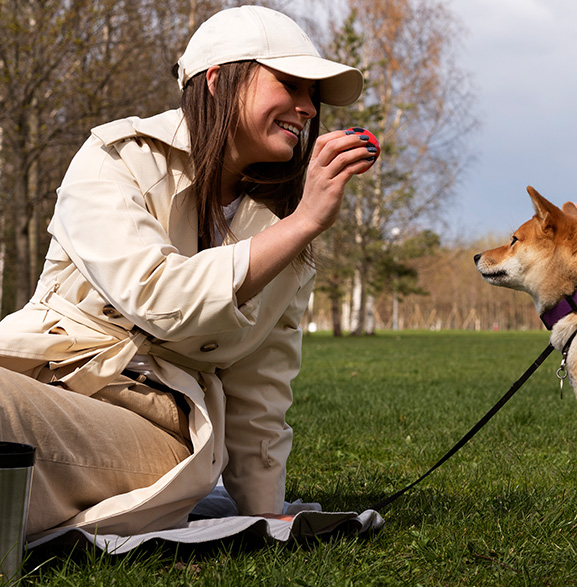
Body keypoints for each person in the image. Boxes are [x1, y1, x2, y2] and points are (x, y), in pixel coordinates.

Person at [0, 5, 375, 539]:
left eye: (313, 95)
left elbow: (260, 387)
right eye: (291, 85)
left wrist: (264, 510)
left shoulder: (285, 231)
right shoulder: (116, 158)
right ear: (219, 81)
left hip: (153, 422)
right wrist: (301, 223)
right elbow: (157, 291)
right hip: (36, 377)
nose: (307, 108)